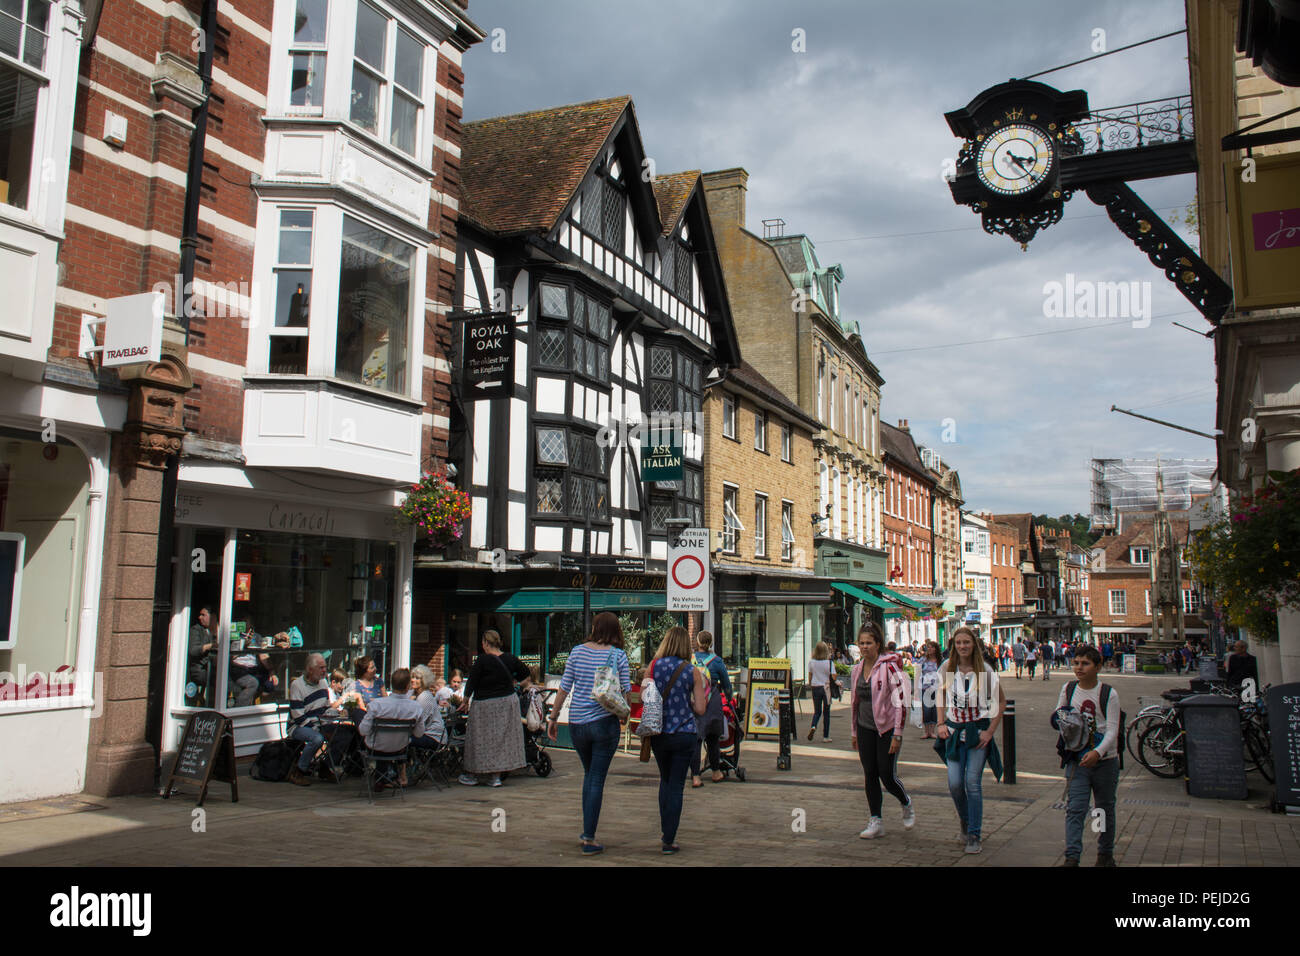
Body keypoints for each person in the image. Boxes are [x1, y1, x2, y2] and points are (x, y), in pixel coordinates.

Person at [547, 612, 630, 854]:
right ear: (616, 630)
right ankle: (589, 837)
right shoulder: (618, 655)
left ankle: (587, 832)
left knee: (589, 774)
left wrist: (553, 717)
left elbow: (564, 688)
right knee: (596, 778)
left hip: (577, 724)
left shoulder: (577, 651)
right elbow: (625, 692)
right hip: (604, 723)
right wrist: (624, 715)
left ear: (595, 628)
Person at [936, 627, 1005, 855]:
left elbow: (1000, 702)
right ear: (953, 646)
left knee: (972, 783)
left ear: (973, 645)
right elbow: (940, 696)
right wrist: (940, 724)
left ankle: (974, 833)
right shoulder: (947, 668)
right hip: (955, 732)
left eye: (966, 642)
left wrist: (990, 732)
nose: (962, 646)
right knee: (955, 783)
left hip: (977, 731)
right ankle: (965, 822)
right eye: (958, 643)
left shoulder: (984, 670)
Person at [1053, 645, 1120, 866]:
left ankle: (1103, 853)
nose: (1079, 668)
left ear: (1098, 666)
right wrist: (1061, 720)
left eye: (1085, 663)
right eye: (1076, 663)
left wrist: (1098, 752)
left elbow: (1112, 729)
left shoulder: (1108, 693)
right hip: (1077, 759)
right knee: (1076, 808)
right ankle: (1072, 856)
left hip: (1105, 761)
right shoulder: (1069, 689)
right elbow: (1059, 715)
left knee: (1102, 809)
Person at [646, 626, 708, 854]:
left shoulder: (652, 667)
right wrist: (688, 703)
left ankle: (666, 831)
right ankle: (669, 838)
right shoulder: (692, 671)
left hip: (658, 733)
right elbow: (701, 708)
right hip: (684, 733)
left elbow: (645, 696)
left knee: (665, 779)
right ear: (685, 645)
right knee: (677, 785)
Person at [850, 622, 914, 839]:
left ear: (878, 644)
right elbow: (854, 702)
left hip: (886, 729)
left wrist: (897, 733)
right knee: (870, 773)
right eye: (861, 643)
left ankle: (905, 801)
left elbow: (901, 702)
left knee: (886, 774)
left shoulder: (890, 667)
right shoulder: (857, 669)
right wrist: (853, 731)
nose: (865, 647)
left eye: (869, 643)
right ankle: (876, 820)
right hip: (864, 727)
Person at [458, 630, 530, 787]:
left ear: (485, 643)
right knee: (501, 740)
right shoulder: (510, 658)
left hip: (484, 705)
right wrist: (516, 684)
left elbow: (472, 682)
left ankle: (474, 774)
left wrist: (464, 700)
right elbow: (526, 674)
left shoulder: (482, 660)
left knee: (479, 740)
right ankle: (495, 777)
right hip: (506, 702)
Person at [358, 668, 431, 787]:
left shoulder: (376, 705)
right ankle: (382, 778)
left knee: (358, 714)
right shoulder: (416, 708)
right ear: (408, 686)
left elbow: (362, 731)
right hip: (399, 748)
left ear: (391, 684)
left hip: (375, 747)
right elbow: (419, 734)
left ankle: (377, 776)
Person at [286, 653, 345, 786]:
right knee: (317, 738)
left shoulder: (323, 683)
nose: (325, 671)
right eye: (321, 668)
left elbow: (325, 707)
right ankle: (299, 771)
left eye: (325, 667)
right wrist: (317, 728)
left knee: (346, 733)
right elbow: (298, 716)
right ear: (310, 669)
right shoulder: (297, 685)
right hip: (299, 726)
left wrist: (337, 713)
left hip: (319, 722)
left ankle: (324, 766)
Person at [691, 631, 733, 786]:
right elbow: (727, 685)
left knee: (696, 739)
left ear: (697, 642)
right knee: (713, 739)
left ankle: (695, 776)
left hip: (696, 701)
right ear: (711, 643)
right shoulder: (717, 661)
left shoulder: (691, 660)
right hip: (713, 701)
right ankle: (716, 772)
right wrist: (729, 698)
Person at [806, 641, 835, 745]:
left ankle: (813, 726)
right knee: (826, 712)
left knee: (817, 711)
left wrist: (811, 684)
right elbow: (834, 676)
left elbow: (810, 675)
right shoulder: (829, 663)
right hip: (826, 688)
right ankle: (826, 736)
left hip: (815, 687)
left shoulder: (812, 662)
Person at [410, 664, 447, 745]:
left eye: (417, 678)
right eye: (412, 677)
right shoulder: (413, 693)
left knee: (403, 740)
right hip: (423, 733)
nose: (413, 680)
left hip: (434, 737)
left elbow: (419, 725)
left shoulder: (424, 697)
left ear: (424, 680)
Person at [187, 607, 216, 704]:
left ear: (212, 617)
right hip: (200, 669)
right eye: (200, 615)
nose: (200, 617)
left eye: (203, 615)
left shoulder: (216, 630)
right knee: (219, 679)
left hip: (213, 667)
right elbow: (193, 650)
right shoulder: (196, 630)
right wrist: (211, 646)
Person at [919, 642, 941, 739]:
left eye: (932, 647)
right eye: (928, 647)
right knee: (926, 709)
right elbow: (918, 671)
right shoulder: (923, 660)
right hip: (925, 688)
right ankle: (926, 731)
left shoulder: (940, 661)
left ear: (936, 649)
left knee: (935, 709)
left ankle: (932, 731)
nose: (930, 649)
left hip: (936, 688)